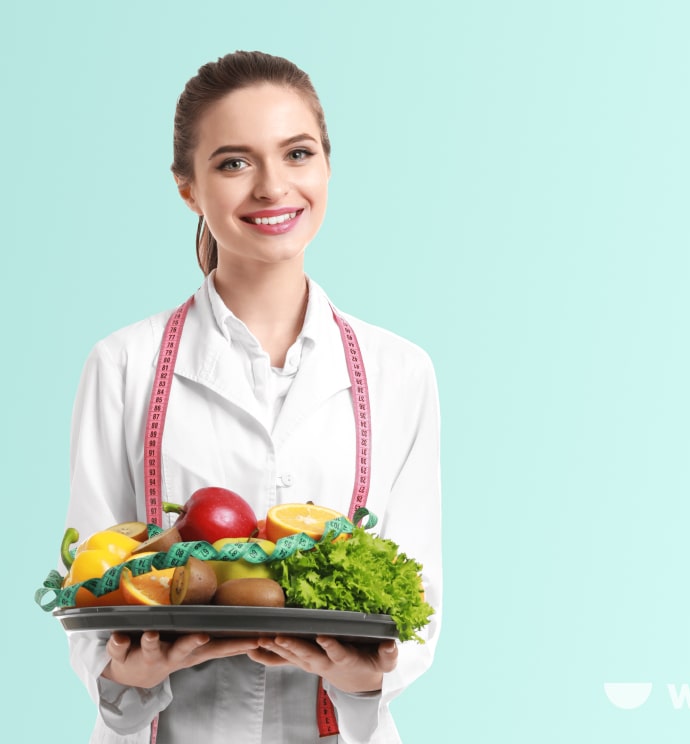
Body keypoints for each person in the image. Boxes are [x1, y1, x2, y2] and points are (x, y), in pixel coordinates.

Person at [62, 50, 442, 744]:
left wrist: (369, 679)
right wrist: (131, 678)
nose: (273, 187)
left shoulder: (401, 371)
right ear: (188, 187)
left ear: (327, 166)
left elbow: (417, 599)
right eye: (234, 163)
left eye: (297, 154)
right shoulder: (122, 365)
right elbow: (93, 587)